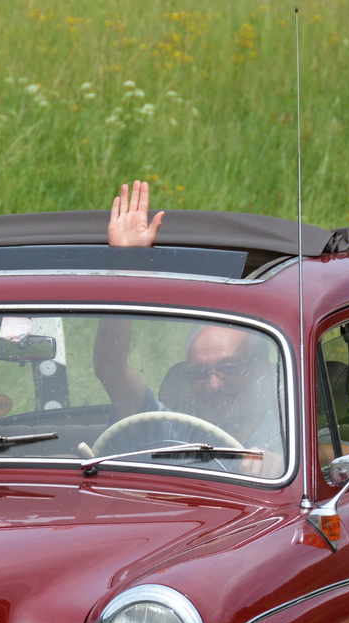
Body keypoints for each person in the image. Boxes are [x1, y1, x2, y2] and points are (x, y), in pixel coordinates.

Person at [94, 181, 285, 475]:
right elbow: (110, 365)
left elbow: (343, 454)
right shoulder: (174, 429)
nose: (214, 384)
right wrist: (126, 267)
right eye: (199, 372)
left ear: (260, 370)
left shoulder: (288, 431)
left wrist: (284, 463)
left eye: (229, 368)